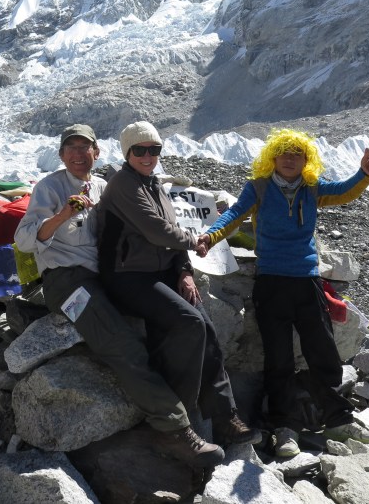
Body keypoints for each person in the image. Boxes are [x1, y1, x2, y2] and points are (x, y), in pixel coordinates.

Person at [14, 124, 225, 468]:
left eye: (86, 148)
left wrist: (181, 268)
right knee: (121, 343)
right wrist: (64, 214)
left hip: (103, 278)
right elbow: (24, 241)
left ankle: (179, 409)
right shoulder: (50, 187)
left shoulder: (104, 187)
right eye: (72, 148)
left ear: (97, 153)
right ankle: (174, 431)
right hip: (67, 282)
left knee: (179, 325)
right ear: (61, 155)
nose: (79, 154)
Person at [197, 128, 369, 458]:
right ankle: (285, 427)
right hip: (271, 282)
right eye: (284, 153)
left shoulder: (312, 189)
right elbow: (234, 214)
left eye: (297, 154)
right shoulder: (259, 187)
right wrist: (209, 237)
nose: (289, 159)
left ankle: (337, 418)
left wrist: (364, 174)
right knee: (278, 357)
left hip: (306, 281)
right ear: (273, 157)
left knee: (323, 351)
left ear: (306, 160)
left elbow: (344, 191)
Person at [96, 121, 260, 449]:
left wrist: (184, 270)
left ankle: (224, 415)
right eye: (139, 150)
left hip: (161, 273)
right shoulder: (123, 185)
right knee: (189, 323)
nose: (147, 155)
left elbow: (170, 229)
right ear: (127, 153)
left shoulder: (155, 185)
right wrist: (194, 241)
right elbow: (158, 231)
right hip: (126, 276)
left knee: (207, 329)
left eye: (153, 149)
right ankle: (180, 419)